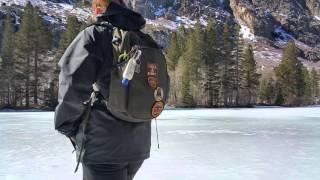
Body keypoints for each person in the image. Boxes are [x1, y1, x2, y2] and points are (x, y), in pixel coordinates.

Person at [54, 0, 151, 179]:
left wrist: (67, 126)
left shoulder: (94, 36)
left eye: (94, 4)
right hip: (138, 145)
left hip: (103, 146)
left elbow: (72, 84)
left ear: (100, 7)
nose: (92, 9)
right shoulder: (143, 39)